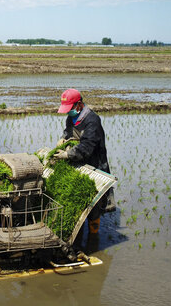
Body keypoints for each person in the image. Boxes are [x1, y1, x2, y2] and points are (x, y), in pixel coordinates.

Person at [54, 88, 115, 238]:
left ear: (79, 105)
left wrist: (67, 154)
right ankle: (78, 234)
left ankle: (93, 238)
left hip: (94, 164)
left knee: (93, 205)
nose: (68, 113)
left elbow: (87, 147)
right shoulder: (71, 117)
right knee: (78, 199)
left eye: (70, 109)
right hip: (78, 163)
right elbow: (68, 132)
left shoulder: (92, 120)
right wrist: (63, 139)